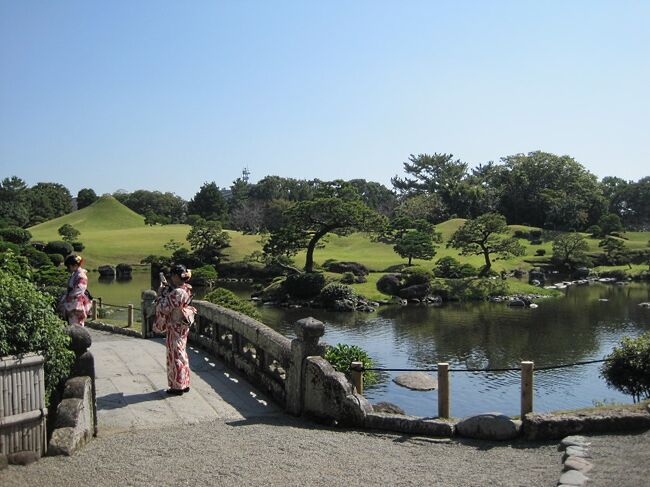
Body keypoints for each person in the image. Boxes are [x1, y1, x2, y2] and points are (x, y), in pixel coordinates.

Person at [153, 264, 196, 395]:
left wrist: (160, 295)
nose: (171, 278)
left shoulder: (177, 292)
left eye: (172, 275)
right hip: (182, 325)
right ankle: (184, 382)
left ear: (177, 276)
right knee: (182, 353)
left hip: (175, 325)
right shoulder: (186, 288)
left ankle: (177, 386)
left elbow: (164, 307)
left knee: (175, 355)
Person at [59, 254, 92, 326]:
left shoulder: (81, 275)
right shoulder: (75, 274)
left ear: (75, 265)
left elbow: (78, 290)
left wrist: (68, 298)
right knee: (72, 322)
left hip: (76, 302)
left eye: (69, 266)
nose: (68, 268)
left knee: (76, 323)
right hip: (73, 301)